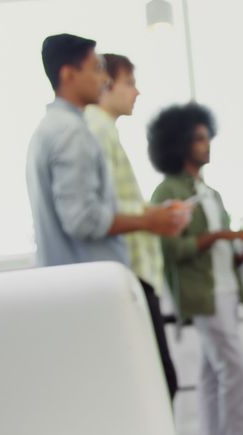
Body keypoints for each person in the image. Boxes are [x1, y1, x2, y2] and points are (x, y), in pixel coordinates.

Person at [25, 34, 190, 401]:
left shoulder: (50, 130)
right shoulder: (73, 133)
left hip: (76, 287)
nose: (103, 78)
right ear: (68, 74)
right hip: (93, 287)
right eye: (97, 68)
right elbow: (83, 221)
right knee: (147, 387)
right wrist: (151, 222)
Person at [149, 102, 243, 435]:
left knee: (213, 375)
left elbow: (223, 253)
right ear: (180, 143)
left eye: (207, 136)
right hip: (204, 295)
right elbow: (170, 249)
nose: (206, 144)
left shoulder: (209, 192)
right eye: (199, 138)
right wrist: (216, 236)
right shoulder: (169, 190)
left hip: (226, 289)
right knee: (235, 372)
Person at [83, 53, 180, 402]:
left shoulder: (104, 129)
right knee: (157, 382)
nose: (136, 92)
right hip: (128, 270)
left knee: (158, 380)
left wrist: (153, 213)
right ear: (105, 85)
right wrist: (151, 218)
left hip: (135, 270)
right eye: (130, 83)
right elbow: (98, 211)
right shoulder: (94, 129)